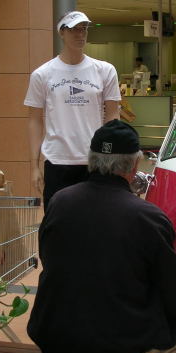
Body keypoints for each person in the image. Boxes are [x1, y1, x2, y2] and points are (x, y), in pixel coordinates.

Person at [28, 120, 176, 353]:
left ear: (90, 161)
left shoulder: (59, 201)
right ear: (134, 166)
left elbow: (49, 258)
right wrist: (170, 323)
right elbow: (174, 286)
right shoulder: (148, 215)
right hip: (117, 346)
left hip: (53, 338)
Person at [24, 11, 121, 208]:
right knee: (58, 222)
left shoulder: (105, 70)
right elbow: (34, 120)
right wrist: (34, 166)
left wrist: (111, 156)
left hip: (95, 162)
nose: (80, 34)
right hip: (57, 161)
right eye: (74, 29)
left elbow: (113, 116)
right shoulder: (42, 74)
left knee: (95, 222)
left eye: (84, 28)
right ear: (61, 32)